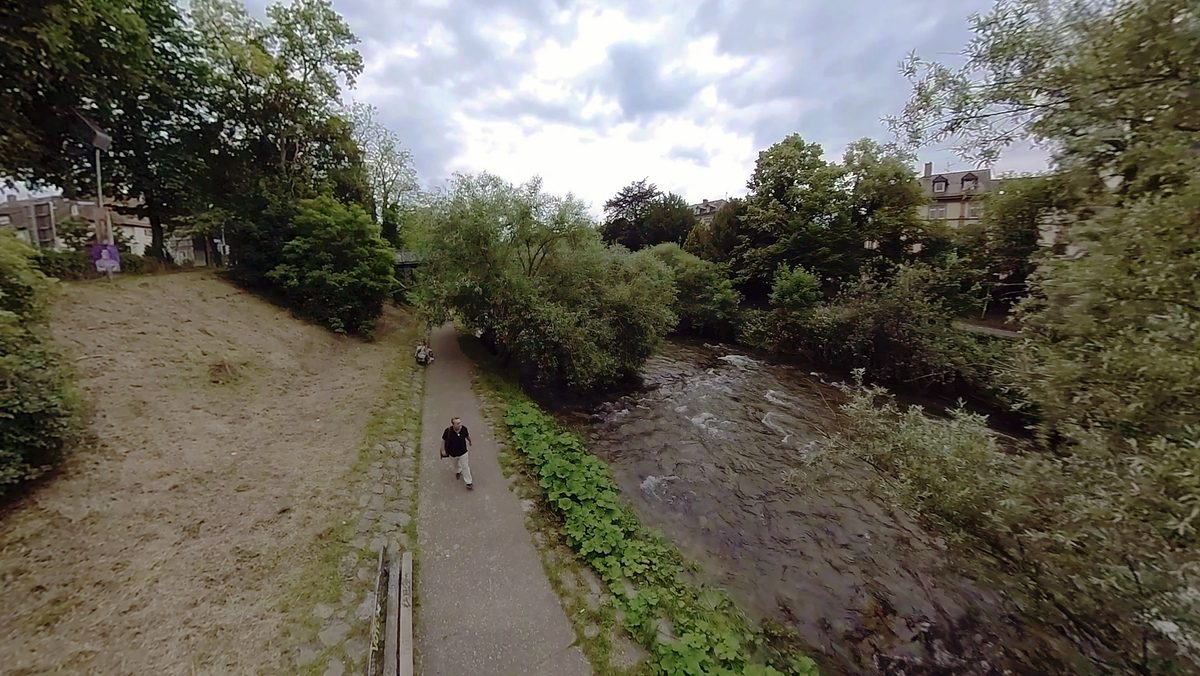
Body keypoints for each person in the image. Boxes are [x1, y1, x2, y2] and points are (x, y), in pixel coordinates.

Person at [440, 416, 473, 489]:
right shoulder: (448, 431)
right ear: (453, 424)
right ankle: (458, 471)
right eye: (457, 423)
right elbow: (443, 440)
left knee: (465, 466)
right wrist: (442, 450)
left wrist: (470, 441)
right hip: (452, 453)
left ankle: (469, 482)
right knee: (455, 465)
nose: (460, 424)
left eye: (460, 422)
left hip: (463, 452)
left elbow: (467, 436)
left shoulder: (464, 429)